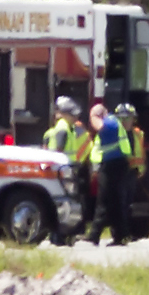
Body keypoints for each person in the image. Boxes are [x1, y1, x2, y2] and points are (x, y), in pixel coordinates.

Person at [43, 95, 97, 233]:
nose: (75, 118)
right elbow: (59, 151)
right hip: (63, 170)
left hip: (66, 170)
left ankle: (63, 233)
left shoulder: (67, 127)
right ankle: (59, 234)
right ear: (63, 114)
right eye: (72, 115)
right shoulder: (63, 128)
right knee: (63, 203)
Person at [91, 100, 135, 245]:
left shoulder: (110, 122)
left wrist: (93, 115)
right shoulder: (116, 125)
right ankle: (121, 236)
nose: (126, 121)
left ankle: (94, 236)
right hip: (115, 165)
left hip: (113, 166)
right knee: (116, 201)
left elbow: (99, 125)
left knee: (104, 201)